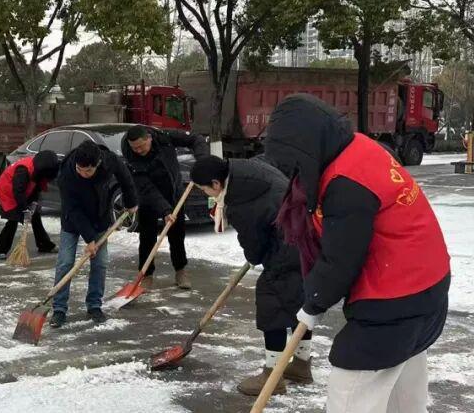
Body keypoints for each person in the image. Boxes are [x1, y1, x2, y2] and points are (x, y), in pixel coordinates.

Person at [265, 94, 450, 413]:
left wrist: (314, 302)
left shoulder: (346, 182)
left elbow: (342, 257)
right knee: (402, 397)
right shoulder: (360, 148)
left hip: (396, 298)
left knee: (350, 391)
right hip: (426, 289)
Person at [191, 154, 312, 396]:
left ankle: (273, 376)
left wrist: (257, 253)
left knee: (272, 304)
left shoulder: (240, 203)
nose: (207, 194)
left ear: (216, 184)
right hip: (306, 238)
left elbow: (254, 249)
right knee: (298, 303)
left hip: (288, 247)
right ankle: (300, 365)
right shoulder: (244, 168)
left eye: (204, 189)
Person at [49, 140, 138, 328]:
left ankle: (94, 305)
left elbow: (125, 178)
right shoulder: (67, 173)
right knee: (65, 263)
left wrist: (131, 202)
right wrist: (89, 239)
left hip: (99, 217)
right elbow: (73, 209)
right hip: (73, 221)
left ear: (98, 164)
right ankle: (59, 309)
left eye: (88, 171)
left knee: (100, 263)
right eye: (80, 169)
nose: (83, 174)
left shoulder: (109, 161)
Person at [121, 124, 207, 290]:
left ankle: (181, 270)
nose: (138, 150)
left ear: (150, 139)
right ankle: (146, 274)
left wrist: (202, 160)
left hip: (173, 191)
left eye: (141, 146)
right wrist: (165, 210)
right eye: (134, 148)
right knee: (147, 237)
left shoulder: (164, 137)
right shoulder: (131, 157)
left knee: (177, 234)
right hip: (149, 197)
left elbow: (196, 139)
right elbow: (145, 187)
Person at [0, 150, 59, 259]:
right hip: (7, 191)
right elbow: (18, 191)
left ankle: (44, 244)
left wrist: (33, 203)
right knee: (13, 219)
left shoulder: (40, 170)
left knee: (35, 215)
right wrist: (24, 209)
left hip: (22, 191)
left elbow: (36, 188)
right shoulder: (23, 170)